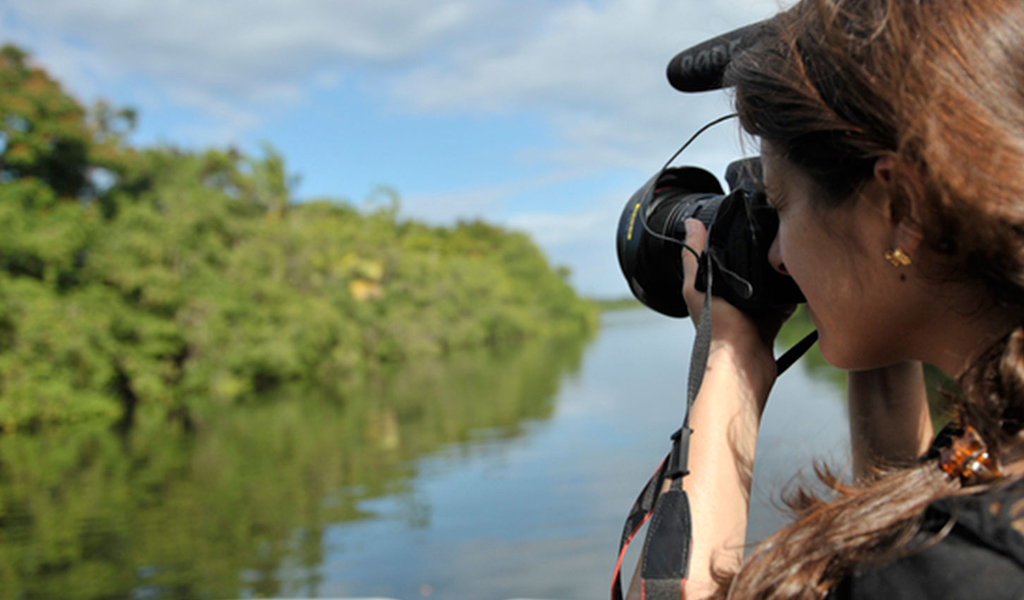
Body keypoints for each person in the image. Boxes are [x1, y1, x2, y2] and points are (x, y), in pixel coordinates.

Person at [642, 0, 1024, 598]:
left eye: (779, 204)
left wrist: (731, 358)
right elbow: (904, 513)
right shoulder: (996, 460)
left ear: (902, 207)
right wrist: (884, 308)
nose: (776, 255)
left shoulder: (954, 574)